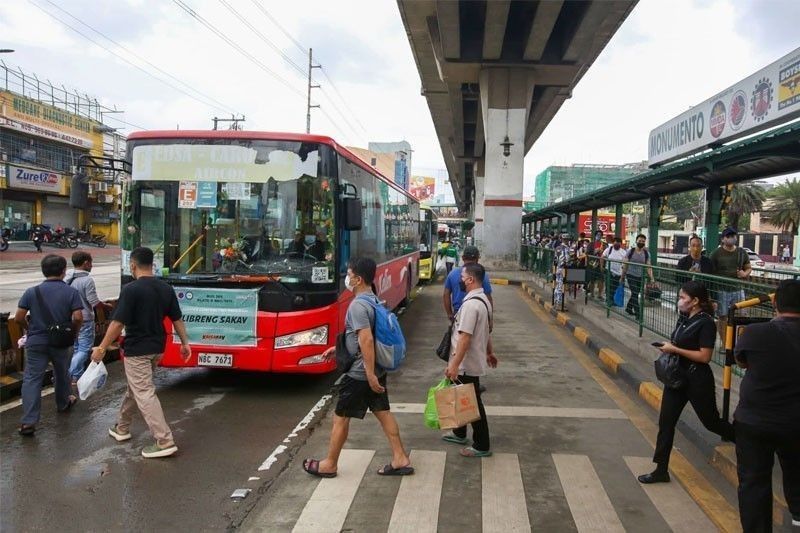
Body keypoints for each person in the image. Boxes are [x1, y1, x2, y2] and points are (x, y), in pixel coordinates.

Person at [302, 258, 413, 478]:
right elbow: (359, 338)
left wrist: (369, 375)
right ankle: (400, 457)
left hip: (361, 374)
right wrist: (338, 350)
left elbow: (367, 340)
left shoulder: (357, 305)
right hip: (375, 370)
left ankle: (329, 464)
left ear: (358, 279)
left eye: (350, 274)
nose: (348, 277)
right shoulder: (374, 301)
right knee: (384, 413)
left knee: (341, 417)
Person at [91, 247, 191, 458]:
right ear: (152, 265)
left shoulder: (131, 289)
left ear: (133, 265)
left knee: (144, 392)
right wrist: (185, 343)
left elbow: (118, 323)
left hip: (138, 349)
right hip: (157, 348)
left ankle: (164, 440)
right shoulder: (165, 288)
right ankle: (122, 428)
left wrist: (101, 348)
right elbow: (177, 319)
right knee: (135, 388)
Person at [638, 281, 735, 484]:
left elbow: (704, 356)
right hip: (676, 378)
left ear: (695, 301)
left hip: (697, 379)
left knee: (711, 422)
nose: (679, 300)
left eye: (683, 297)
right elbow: (678, 342)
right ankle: (661, 469)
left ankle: (745, 439)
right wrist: (669, 346)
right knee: (666, 423)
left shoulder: (706, 323)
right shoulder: (684, 318)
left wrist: (675, 350)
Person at [733, 279, 800, 531]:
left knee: (753, 482)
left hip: (755, 422)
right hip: (796, 423)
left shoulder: (755, 332)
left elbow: (742, 361)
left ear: (774, 303)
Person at [14, 254, 83, 436]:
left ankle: (28, 422)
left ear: (44, 271)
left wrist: (30, 330)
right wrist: (74, 333)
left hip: (36, 342)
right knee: (61, 374)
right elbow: (77, 317)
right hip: (61, 341)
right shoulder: (71, 292)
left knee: (32, 379)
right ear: (63, 271)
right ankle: (63, 403)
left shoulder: (32, 291)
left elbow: (19, 317)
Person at [443, 263, 497, 457]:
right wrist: (490, 352)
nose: (460, 280)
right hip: (471, 360)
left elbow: (465, 337)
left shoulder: (471, 305)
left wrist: (454, 365)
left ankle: (482, 445)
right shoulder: (483, 300)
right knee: (462, 396)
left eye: (463, 277)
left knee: (472, 403)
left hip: (466, 363)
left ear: (471, 280)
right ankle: (459, 432)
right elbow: (486, 331)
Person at [66, 251, 106, 389]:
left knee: (77, 347)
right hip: (85, 319)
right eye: (91, 262)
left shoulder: (68, 278)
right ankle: (67, 374)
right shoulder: (87, 280)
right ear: (85, 263)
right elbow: (94, 302)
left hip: (70, 318)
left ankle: (75, 378)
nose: (91, 265)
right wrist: (106, 306)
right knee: (84, 349)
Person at [710, 227, 751, 342]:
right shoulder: (716, 254)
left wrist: (744, 274)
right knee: (722, 316)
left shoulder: (742, 252)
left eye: (733, 236)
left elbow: (748, 267)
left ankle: (740, 341)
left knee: (743, 314)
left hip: (738, 289)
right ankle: (725, 343)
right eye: (729, 236)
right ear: (723, 239)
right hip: (722, 289)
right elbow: (710, 271)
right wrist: (712, 295)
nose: (732, 238)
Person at [620, 234, 655, 317]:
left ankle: (628, 308)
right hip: (630, 274)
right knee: (635, 292)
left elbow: (648, 266)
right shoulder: (630, 251)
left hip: (640, 277)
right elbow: (625, 264)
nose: (641, 243)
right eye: (640, 241)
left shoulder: (647, 253)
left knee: (635, 293)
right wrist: (622, 276)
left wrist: (652, 278)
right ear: (636, 241)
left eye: (643, 241)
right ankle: (638, 313)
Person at [602, 237, 628, 305]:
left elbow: (625, 263)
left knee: (614, 287)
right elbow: (602, 257)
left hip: (618, 273)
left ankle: (611, 299)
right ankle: (609, 300)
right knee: (609, 285)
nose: (617, 243)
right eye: (615, 242)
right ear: (613, 243)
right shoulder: (609, 249)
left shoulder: (623, 252)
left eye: (619, 242)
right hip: (609, 270)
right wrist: (602, 266)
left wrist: (623, 273)